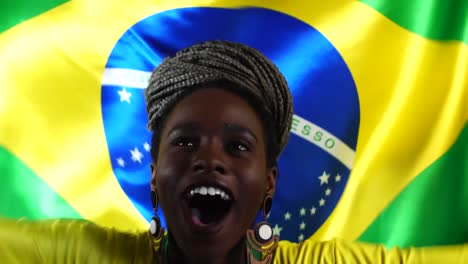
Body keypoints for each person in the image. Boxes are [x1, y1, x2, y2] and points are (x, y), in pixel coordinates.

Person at [0, 40, 466, 263]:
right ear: (156, 176)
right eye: (183, 142)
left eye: (238, 146)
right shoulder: (86, 256)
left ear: (268, 183)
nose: (209, 158)